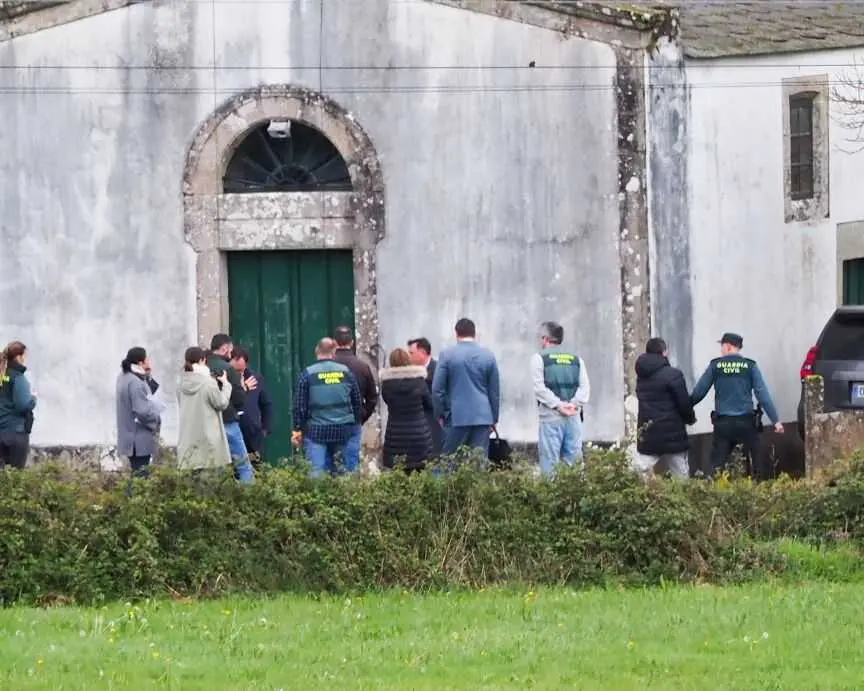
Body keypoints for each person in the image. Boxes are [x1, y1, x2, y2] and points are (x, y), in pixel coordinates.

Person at [691, 332, 784, 479]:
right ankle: (758, 488)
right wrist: (775, 420)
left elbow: (699, 392)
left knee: (717, 464)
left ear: (728, 346)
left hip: (723, 423)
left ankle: (712, 491)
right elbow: (762, 394)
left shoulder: (716, 365)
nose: (721, 350)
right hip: (746, 422)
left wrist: (686, 406)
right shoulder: (750, 366)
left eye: (722, 346)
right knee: (756, 461)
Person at [292, 337, 363, 477]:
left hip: (316, 431)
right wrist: (354, 423)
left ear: (317, 351)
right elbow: (357, 402)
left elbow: (299, 406)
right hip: (343, 430)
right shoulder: (346, 372)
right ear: (334, 352)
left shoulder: (308, 374)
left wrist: (298, 428)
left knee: (316, 474)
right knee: (344, 474)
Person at [432, 318, 500, 458]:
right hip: (483, 416)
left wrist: (440, 414)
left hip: (455, 416)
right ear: (474, 334)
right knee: (478, 463)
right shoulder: (488, 355)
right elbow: (494, 391)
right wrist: (493, 418)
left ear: (456, 333)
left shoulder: (447, 355)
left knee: (451, 461)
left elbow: (437, 389)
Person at [531, 321, 590, 475]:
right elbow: (585, 388)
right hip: (574, 416)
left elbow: (539, 389)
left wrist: (559, 405)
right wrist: (573, 405)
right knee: (575, 462)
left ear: (545, 339)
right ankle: (577, 497)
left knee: (550, 463)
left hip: (550, 418)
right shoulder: (576, 359)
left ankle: (550, 498)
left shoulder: (539, 359)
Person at [633, 337, 695, 479]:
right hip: (672, 432)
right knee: (680, 474)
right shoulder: (673, 374)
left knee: (641, 466)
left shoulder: (641, 376)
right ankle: (683, 500)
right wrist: (690, 418)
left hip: (649, 431)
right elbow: (684, 403)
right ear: (664, 352)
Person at [207, 334, 256, 484]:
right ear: (224, 348)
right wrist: (244, 389)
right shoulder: (227, 369)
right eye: (230, 350)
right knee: (242, 464)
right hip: (228, 420)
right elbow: (239, 399)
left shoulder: (203, 366)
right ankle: (249, 497)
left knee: (216, 466)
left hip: (209, 423)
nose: (231, 353)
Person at [177, 346, 233, 473]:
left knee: (192, 484)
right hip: (208, 439)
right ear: (203, 360)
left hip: (188, 439)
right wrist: (226, 385)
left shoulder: (180, 383)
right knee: (210, 483)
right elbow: (222, 403)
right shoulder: (208, 383)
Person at [380, 347, 434, 472]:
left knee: (399, 475)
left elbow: (387, 401)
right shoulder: (419, 381)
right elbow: (429, 404)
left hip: (395, 436)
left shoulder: (387, 384)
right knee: (421, 474)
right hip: (419, 436)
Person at [115, 347, 163, 478]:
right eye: (147, 359)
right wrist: (156, 419)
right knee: (140, 477)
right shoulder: (135, 382)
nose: (149, 361)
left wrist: (147, 375)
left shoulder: (124, 377)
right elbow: (142, 410)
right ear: (140, 362)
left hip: (129, 435)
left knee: (137, 475)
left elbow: (146, 392)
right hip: (138, 438)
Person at [230, 347, 273, 468]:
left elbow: (266, 403)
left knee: (255, 466)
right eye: (236, 371)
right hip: (233, 429)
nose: (239, 374)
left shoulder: (255, 378)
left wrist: (265, 428)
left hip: (253, 432)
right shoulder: (225, 378)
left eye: (241, 370)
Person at [333, 326, 378, 434]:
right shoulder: (362, 367)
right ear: (352, 342)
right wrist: (362, 417)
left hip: (329, 421)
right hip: (353, 420)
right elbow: (372, 397)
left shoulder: (326, 366)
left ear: (334, 343)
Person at [0, 341, 36, 469]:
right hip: (16, 434)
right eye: (25, 356)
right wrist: (33, 400)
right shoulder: (18, 377)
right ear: (19, 357)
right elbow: (22, 406)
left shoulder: (2, 374)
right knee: (15, 479)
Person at [407, 337, 442, 453]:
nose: (409, 356)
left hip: (434, 425)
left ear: (422, 352)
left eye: (411, 353)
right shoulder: (410, 372)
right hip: (415, 428)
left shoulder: (438, 370)